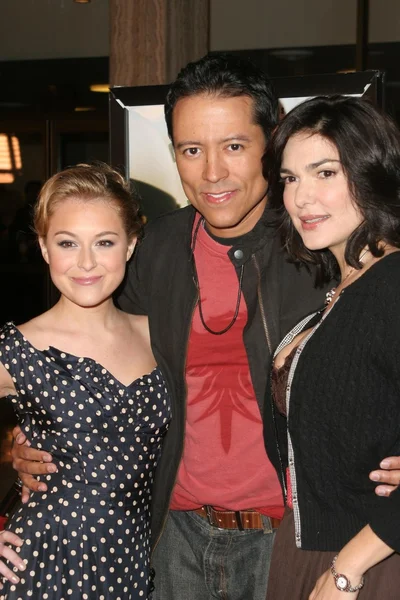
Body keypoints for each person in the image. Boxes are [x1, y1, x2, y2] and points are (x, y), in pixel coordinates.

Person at [10, 55, 400, 600]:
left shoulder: (321, 244)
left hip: (291, 538)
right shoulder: (151, 252)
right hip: (172, 536)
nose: (212, 172)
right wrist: (38, 433)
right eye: (192, 150)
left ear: (272, 143)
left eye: (234, 146)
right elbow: (90, 352)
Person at [0, 163, 171, 599]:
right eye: (67, 243)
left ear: (131, 245)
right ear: (43, 248)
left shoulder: (160, 335)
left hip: (132, 562)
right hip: (42, 564)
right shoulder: (18, 347)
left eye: (105, 242)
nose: (86, 263)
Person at [263, 95, 400, 599]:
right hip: (311, 549)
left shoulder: (392, 285)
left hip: (371, 560)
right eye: (290, 178)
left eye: (324, 173)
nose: (301, 198)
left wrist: (348, 570)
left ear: (371, 173)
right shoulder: (338, 291)